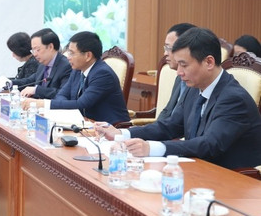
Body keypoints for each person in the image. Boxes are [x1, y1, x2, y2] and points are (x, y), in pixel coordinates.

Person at [96, 27, 261, 170]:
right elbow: (169, 126)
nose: (179, 72)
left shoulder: (233, 98)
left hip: (232, 182)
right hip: (197, 169)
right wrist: (122, 134)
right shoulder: (195, 88)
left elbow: (209, 145)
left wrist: (151, 148)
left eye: (184, 65)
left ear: (209, 62)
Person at [30, 31, 130, 123]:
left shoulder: (102, 74)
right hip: (84, 123)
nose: (68, 57)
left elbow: (81, 104)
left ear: (88, 56)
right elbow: (62, 94)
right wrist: (69, 109)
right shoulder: (77, 70)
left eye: (72, 53)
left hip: (110, 128)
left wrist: (43, 103)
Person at [156, 22, 196, 121]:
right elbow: (167, 112)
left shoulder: (198, 82)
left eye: (169, 48)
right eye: (165, 48)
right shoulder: (180, 77)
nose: (165, 53)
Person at [17, 28, 71, 99]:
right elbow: (28, 81)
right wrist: (9, 83)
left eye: (38, 49)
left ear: (50, 47)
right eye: (33, 50)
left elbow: (64, 94)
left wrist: (36, 90)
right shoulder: (43, 64)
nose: (35, 54)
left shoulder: (67, 66)